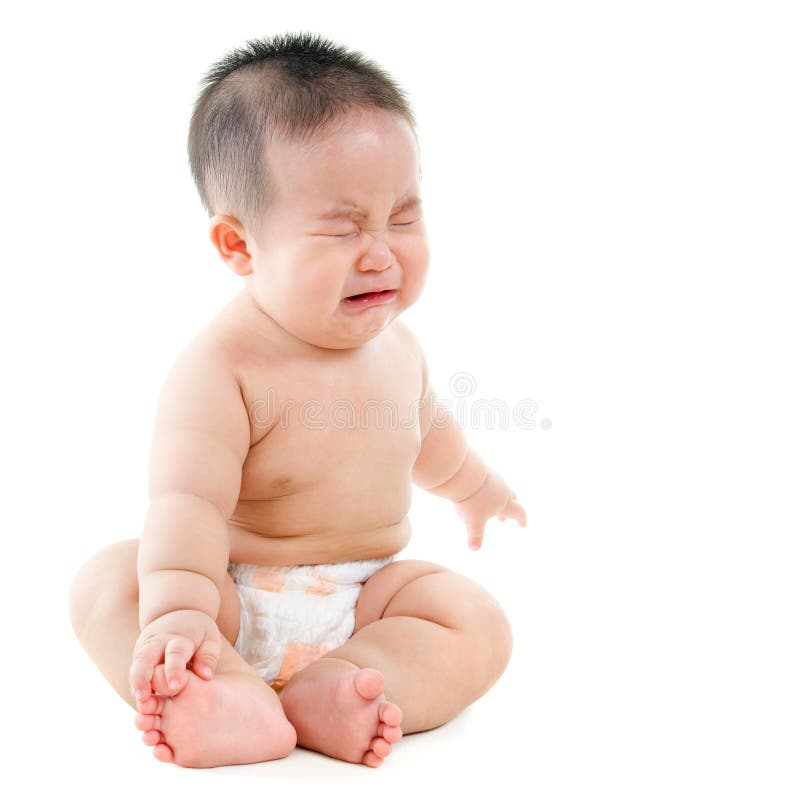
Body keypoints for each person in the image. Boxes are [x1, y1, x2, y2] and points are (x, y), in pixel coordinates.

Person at [68, 31, 527, 769]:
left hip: (366, 599)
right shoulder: (221, 368)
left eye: (403, 218)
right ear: (239, 247)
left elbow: (428, 435)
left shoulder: (396, 345)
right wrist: (183, 615)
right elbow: (187, 507)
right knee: (107, 581)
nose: (381, 252)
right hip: (228, 598)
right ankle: (225, 691)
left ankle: (342, 687)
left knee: (476, 621)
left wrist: (477, 488)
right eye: (342, 228)